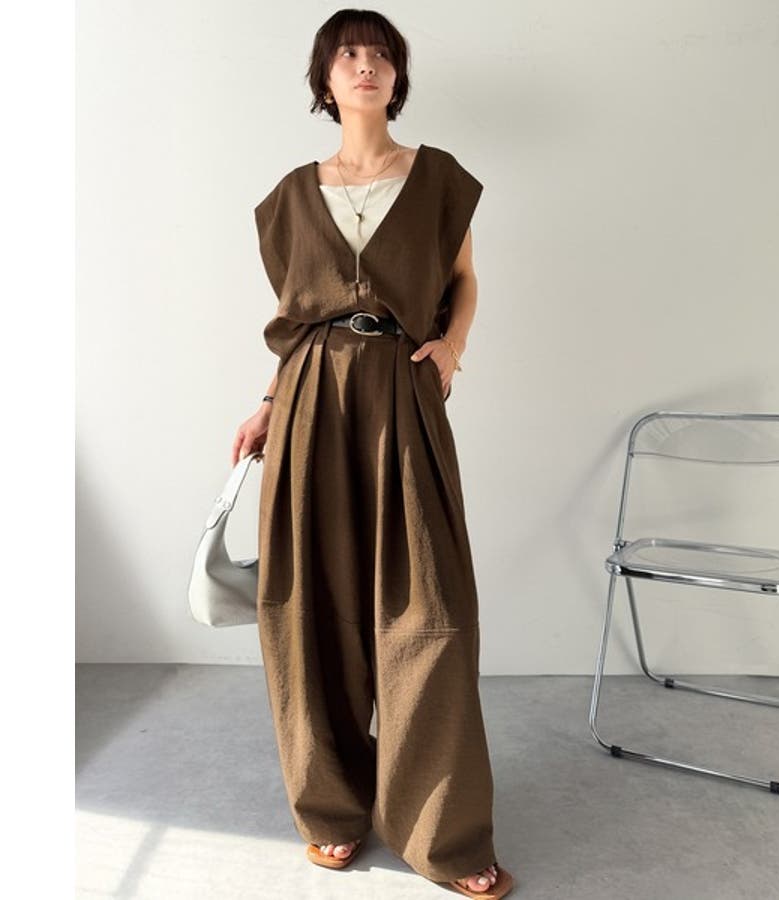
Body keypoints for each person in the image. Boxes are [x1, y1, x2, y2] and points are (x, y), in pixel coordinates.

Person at [231, 9, 514, 898]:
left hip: (402, 386)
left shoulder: (438, 178)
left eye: (381, 54)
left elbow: (463, 278)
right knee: (312, 606)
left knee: (429, 607)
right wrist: (268, 403)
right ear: (325, 80)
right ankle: (332, 810)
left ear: (398, 78)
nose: (366, 65)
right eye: (349, 54)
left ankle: (445, 833)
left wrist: (453, 347)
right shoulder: (290, 195)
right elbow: (297, 319)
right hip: (310, 396)